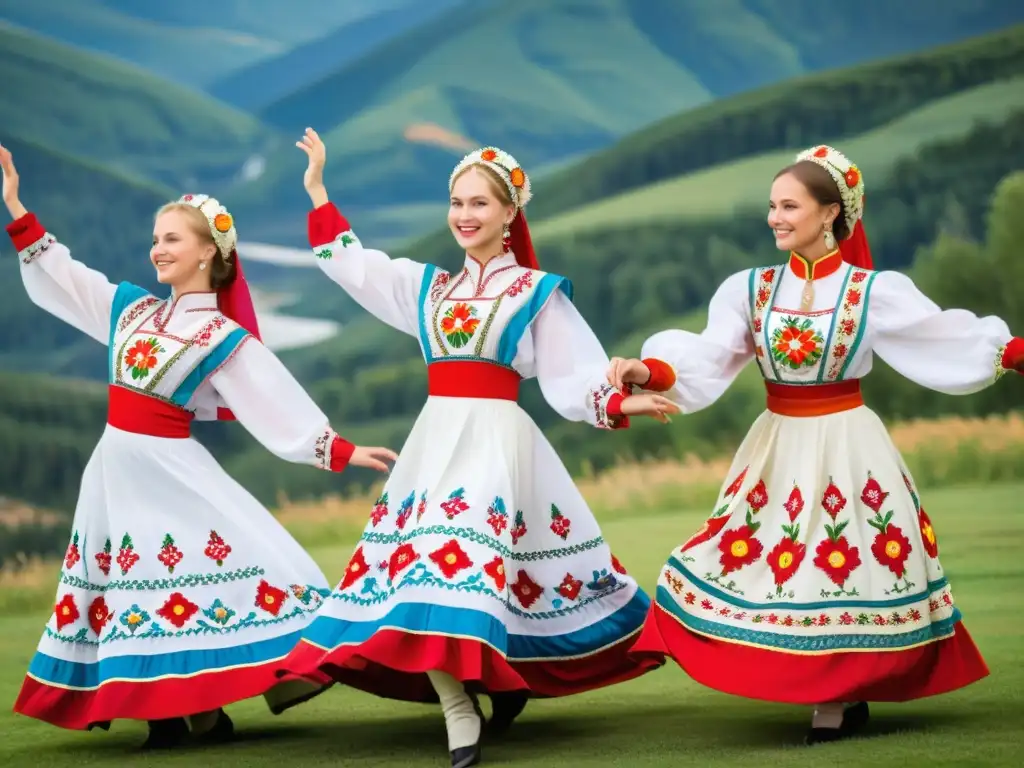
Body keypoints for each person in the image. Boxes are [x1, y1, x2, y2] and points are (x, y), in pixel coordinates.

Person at [275, 129, 676, 768]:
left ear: (511, 213)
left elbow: (575, 374)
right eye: (457, 202)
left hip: (497, 445)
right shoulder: (427, 287)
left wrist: (620, 400)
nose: (464, 215)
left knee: (473, 576)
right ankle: (459, 704)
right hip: (435, 446)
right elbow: (354, 266)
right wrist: (319, 190)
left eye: (480, 204)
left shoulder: (535, 293)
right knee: (424, 577)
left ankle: (487, 690)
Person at [610, 144, 1023, 745]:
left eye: (789, 206)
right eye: (771, 206)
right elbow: (708, 356)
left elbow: (939, 335)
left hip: (848, 439)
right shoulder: (748, 289)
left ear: (830, 213)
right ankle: (816, 684)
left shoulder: (871, 290)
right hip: (778, 441)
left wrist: (1010, 353)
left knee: (841, 564)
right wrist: (649, 373)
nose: (775, 217)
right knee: (765, 559)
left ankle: (839, 695)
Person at [0, 144, 398, 749]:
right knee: (135, 587)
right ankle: (179, 715)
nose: (157, 249)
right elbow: (70, 280)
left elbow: (273, 399)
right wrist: (18, 210)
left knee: (170, 580)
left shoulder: (220, 335)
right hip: (114, 470)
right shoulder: (130, 310)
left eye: (172, 240)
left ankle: (186, 714)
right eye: (155, 238)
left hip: (170, 473)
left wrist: (338, 450)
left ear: (209, 251)